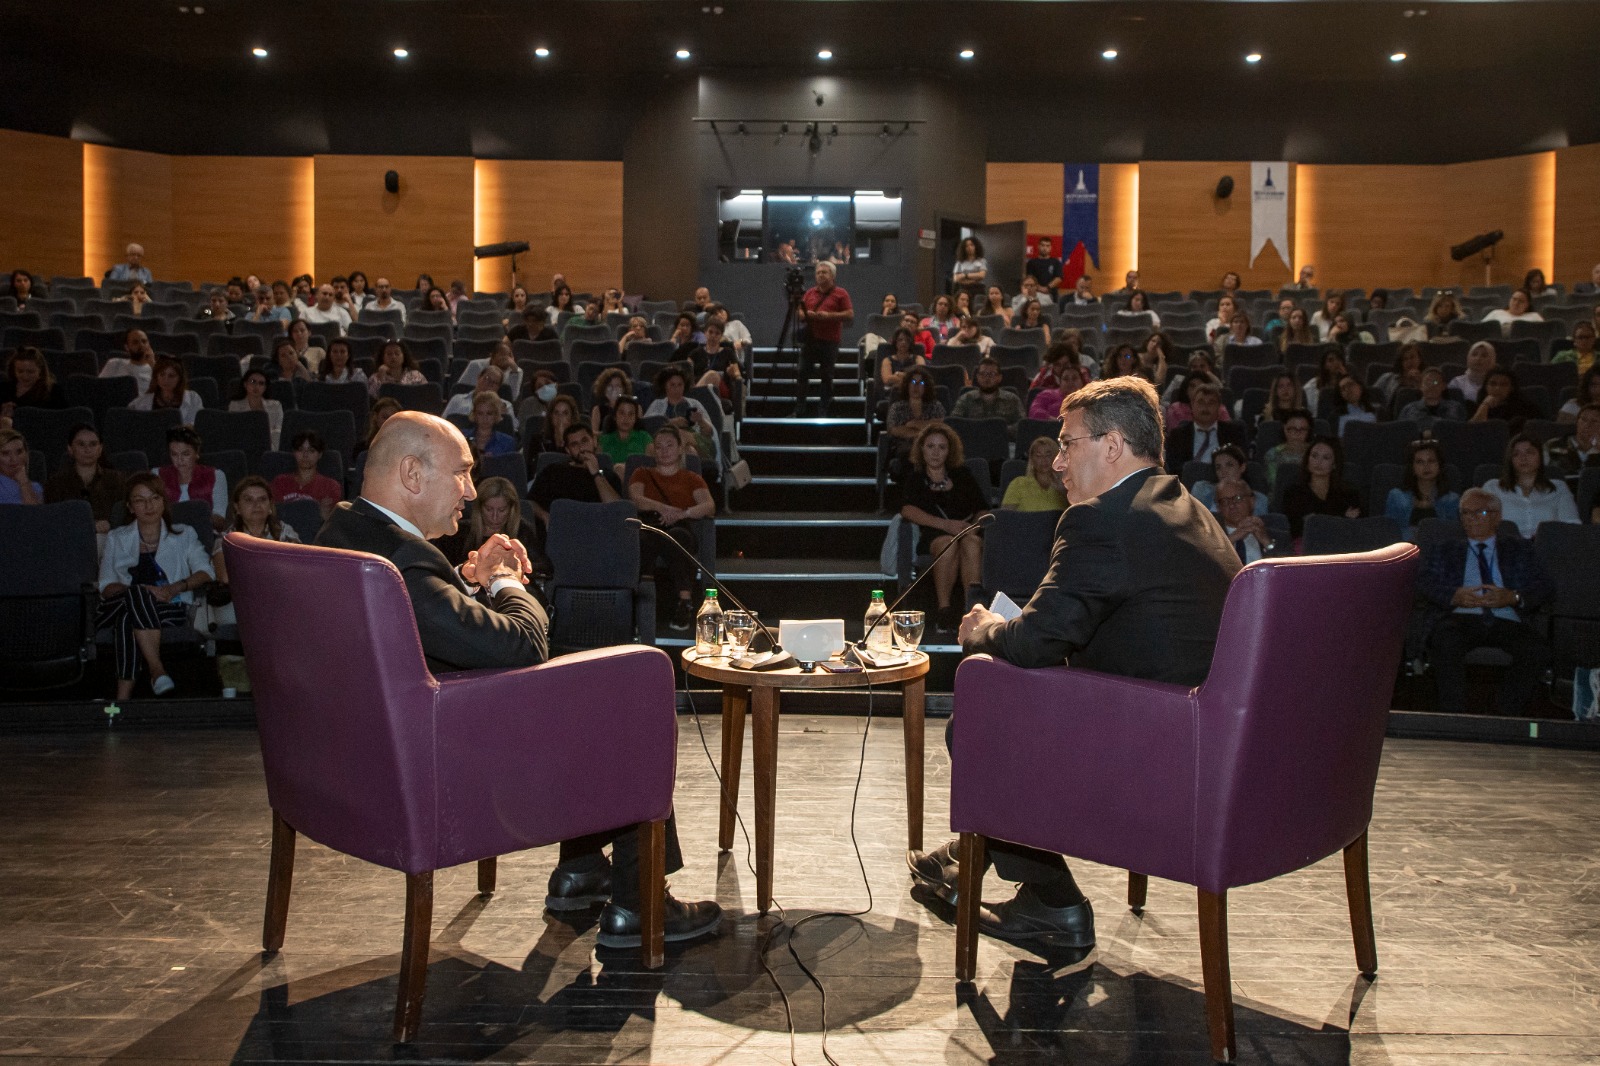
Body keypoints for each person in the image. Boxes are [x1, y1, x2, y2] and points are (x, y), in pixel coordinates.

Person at [317, 411, 721, 946]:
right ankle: (638, 901)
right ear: (412, 475)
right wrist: (507, 582)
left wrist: (467, 579)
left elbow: (419, 618)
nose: (469, 489)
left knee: (591, 688)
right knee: (632, 691)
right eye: (460, 472)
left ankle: (580, 871)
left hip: (371, 758)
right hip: (443, 773)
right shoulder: (402, 561)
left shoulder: (344, 530)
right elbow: (522, 644)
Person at [910, 376, 1239, 950]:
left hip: (1153, 759)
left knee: (986, 711)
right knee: (1014, 693)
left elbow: (1036, 642)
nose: (1058, 462)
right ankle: (977, 847)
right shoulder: (1188, 509)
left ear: (1112, 445)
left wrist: (984, 628)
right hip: (1204, 744)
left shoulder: (1102, 520)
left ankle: (1052, 903)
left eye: (1068, 444)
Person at [1416, 487, 1553, 714]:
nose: (1471, 519)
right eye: (1466, 514)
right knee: (1445, 641)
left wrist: (1513, 596)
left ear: (1497, 517)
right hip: (1460, 616)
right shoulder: (1445, 549)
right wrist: (1454, 595)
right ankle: (1453, 716)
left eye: (1479, 513)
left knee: (1537, 650)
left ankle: (1505, 714)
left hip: (1506, 617)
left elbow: (1545, 587)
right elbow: (1424, 583)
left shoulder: (1519, 548)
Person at [96, 473, 212, 699]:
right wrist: (141, 592)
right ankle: (156, 670)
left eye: (154, 498)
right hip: (117, 605)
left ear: (163, 501)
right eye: (140, 500)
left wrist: (175, 588)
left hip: (167, 608)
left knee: (128, 621)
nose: (148, 505)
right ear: (130, 507)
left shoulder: (184, 534)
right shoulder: (116, 538)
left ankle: (122, 700)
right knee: (137, 594)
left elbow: (206, 572)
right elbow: (106, 585)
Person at [899, 422, 987, 633]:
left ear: (950, 451)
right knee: (948, 543)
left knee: (973, 542)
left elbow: (983, 509)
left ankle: (972, 611)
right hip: (934, 534)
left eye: (941, 447)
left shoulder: (963, 476)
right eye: (930, 446)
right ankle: (944, 611)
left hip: (965, 532)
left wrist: (973, 527)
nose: (936, 452)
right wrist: (946, 525)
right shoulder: (915, 478)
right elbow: (907, 510)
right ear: (921, 449)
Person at [629, 424, 715, 632]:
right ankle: (641, 601)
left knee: (676, 536)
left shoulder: (691, 478)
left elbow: (709, 506)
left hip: (682, 526)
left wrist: (681, 513)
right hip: (651, 524)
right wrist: (664, 508)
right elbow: (636, 499)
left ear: (679, 449)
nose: (664, 450)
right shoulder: (642, 473)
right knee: (647, 537)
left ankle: (683, 601)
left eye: (669, 445)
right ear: (653, 450)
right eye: (659, 446)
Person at [1483, 434, 1579, 537]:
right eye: (1516, 454)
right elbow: (1481, 519)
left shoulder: (1559, 488)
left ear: (1541, 457)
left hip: (1548, 548)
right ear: (1510, 460)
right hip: (1507, 547)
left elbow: (1572, 525)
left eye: (1529, 452)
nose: (1523, 458)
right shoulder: (1492, 488)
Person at [530, 422, 622, 525]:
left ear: (594, 441)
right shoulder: (553, 471)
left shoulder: (607, 475)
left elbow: (617, 510)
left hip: (598, 529)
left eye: (584, 441)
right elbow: (530, 502)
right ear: (568, 450)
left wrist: (596, 474)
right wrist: (544, 516)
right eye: (574, 444)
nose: (581, 448)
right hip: (562, 528)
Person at [44, 424, 125, 537]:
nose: (87, 449)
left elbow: (124, 514)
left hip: (108, 539)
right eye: (81, 444)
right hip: (69, 538)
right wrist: (89, 525)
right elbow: (52, 518)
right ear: (70, 449)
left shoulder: (116, 480)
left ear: (100, 449)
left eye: (93, 444)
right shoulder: (56, 482)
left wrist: (110, 524)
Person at [1281, 436, 1363, 540]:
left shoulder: (1349, 493)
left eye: (1326, 458)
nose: (1318, 462)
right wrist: (1341, 518)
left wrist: (1315, 519)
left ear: (1334, 464)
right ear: (1307, 459)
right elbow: (1295, 529)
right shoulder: (1293, 492)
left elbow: (1356, 528)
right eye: (1314, 456)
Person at [1164, 381, 1247, 473]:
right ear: (1192, 406)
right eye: (1201, 402)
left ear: (1219, 407)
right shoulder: (1177, 435)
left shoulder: (1234, 432)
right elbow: (1173, 469)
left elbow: (1242, 464)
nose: (1205, 407)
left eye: (1211, 403)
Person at [158, 426, 228, 530]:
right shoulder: (158, 475)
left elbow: (220, 520)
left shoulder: (216, 476)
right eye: (174, 454)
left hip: (203, 533)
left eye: (185, 454)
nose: (180, 460)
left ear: (197, 454)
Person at [645, 366, 716, 461]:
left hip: (698, 442)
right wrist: (671, 423)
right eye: (672, 385)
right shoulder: (657, 405)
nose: (676, 388)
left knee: (680, 434)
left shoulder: (695, 403)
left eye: (680, 385)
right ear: (665, 386)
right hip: (667, 444)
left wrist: (701, 420)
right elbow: (648, 428)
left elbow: (709, 432)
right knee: (688, 451)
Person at [270, 430, 344, 520]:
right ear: (294, 452)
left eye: (311, 451)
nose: (305, 455)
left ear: (320, 454)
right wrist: (315, 510)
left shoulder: (331, 486)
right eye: (300, 450)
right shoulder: (279, 482)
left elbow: (331, 523)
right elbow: (273, 516)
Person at [885, 367, 945, 477]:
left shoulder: (935, 405)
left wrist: (913, 425)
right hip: (903, 445)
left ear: (926, 387)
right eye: (913, 382)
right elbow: (895, 430)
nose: (916, 386)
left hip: (932, 444)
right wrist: (924, 430)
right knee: (910, 452)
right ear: (907, 385)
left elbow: (940, 426)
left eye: (920, 382)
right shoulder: (897, 407)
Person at [1215, 477, 1291, 563]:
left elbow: (1289, 572)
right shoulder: (1210, 540)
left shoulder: (1279, 537)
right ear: (1218, 508)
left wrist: (1267, 543)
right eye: (1225, 501)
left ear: (1252, 501)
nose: (1232, 505)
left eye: (1238, 498)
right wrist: (1230, 540)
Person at [951, 356, 1024, 433]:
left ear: (999, 377)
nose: (987, 378)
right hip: (972, 441)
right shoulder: (966, 398)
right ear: (977, 377)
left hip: (1004, 441)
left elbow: (1022, 424)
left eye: (991, 374)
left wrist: (1000, 430)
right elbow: (954, 423)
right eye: (982, 374)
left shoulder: (1012, 399)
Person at [1190, 444, 1266, 515]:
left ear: (1242, 467)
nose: (1223, 471)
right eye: (1218, 467)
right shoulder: (1202, 489)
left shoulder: (1259, 499)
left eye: (1229, 465)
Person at [128, 356, 203, 426]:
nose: (165, 380)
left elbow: (200, 424)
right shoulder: (145, 400)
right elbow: (129, 416)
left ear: (180, 379)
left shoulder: (193, 398)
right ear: (156, 376)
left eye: (171, 376)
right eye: (162, 374)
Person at [1001, 436, 1068, 512]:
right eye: (1038, 455)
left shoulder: (1067, 485)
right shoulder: (1018, 484)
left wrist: (1063, 491)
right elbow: (1005, 517)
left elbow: (1077, 513)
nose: (1044, 460)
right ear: (1032, 459)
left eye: (1048, 455)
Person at [1470, 367, 1542, 433]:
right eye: (1493, 384)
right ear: (1486, 387)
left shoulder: (1526, 408)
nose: (1497, 388)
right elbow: (1473, 431)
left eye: (1503, 384)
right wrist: (1485, 405)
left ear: (1511, 388)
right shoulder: (1475, 407)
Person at [227, 368, 285, 450]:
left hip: (269, 448)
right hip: (243, 447)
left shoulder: (276, 406)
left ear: (265, 388)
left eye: (261, 383)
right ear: (245, 384)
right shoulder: (235, 405)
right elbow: (233, 432)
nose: (256, 386)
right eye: (253, 382)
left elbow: (279, 431)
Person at [2, 347, 65, 418]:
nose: (25, 376)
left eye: (30, 372)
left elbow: (62, 419)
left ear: (40, 371)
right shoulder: (4, 388)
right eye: (20, 371)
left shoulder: (53, 391)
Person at [599, 397, 652, 477]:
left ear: (635, 418)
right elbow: (598, 470)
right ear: (614, 416)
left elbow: (651, 466)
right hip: (609, 483)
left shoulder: (644, 437)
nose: (626, 418)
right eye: (622, 413)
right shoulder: (604, 440)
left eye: (631, 414)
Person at [1263, 410, 1313, 493]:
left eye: (1303, 429)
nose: (1297, 433)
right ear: (1284, 429)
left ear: (1309, 431)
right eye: (1292, 429)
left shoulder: (1315, 453)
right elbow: (1273, 484)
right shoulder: (1272, 454)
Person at [1544, 404, 1600, 478]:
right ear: (1577, 422)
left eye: (1594, 421)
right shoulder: (1553, 445)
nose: (1587, 424)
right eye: (1584, 419)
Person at [1399, 367, 1468, 423]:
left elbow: (1462, 434)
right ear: (1420, 386)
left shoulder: (1456, 408)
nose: (1431, 386)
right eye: (1427, 382)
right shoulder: (1409, 410)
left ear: (1443, 386)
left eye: (1435, 382)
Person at [100, 328, 157, 394]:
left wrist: (153, 366)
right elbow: (99, 387)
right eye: (135, 342)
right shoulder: (114, 363)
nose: (141, 345)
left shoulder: (156, 370)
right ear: (127, 347)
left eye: (144, 341)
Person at [0, 428, 42, 504]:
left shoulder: (36, 488)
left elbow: (35, 514)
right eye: (5, 453)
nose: (14, 459)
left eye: (19, 452)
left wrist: (24, 482)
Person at [589, 367, 633, 435]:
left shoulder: (635, 408)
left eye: (618, 386)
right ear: (604, 389)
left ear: (624, 389)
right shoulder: (597, 410)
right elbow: (594, 435)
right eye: (610, 386)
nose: (614, 389)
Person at [879, 328, 925, 392]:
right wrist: (910, 377)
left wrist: (897, 374)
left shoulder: (918, 359)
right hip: (892, 394)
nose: (903, 342)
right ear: (895, 342)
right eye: (900, 340)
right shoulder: (887, 360)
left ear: (910, 343)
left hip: (913, 392)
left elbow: (921, 377)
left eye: (907, 340)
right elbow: (887, 380)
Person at [1303, 348, 1349, 413]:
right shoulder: (1313, 384)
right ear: (1324, 365)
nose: (1336, 363)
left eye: (1338, 359)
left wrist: (1346, 376)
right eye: (1331, 360)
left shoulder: (1349, 381)